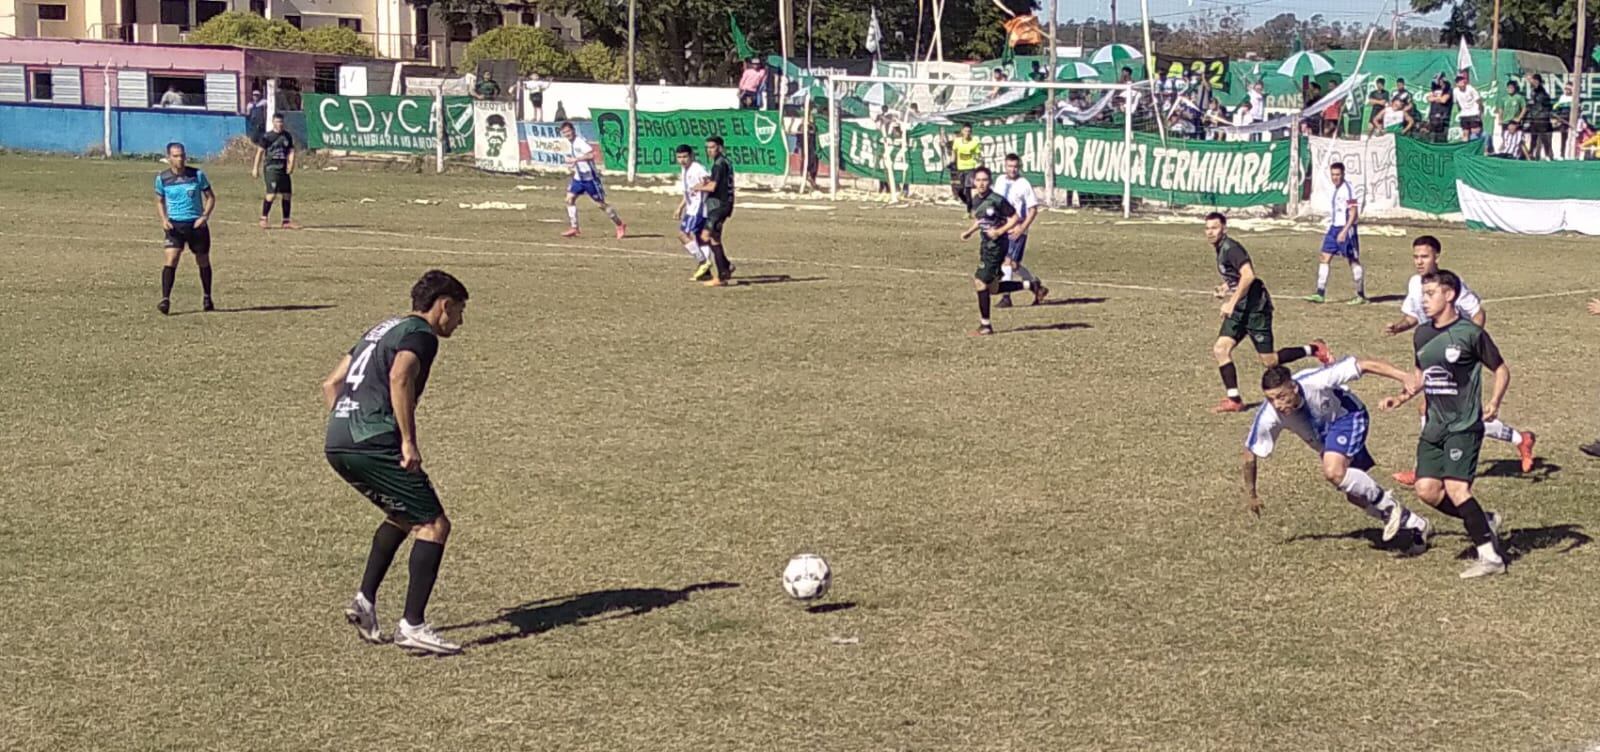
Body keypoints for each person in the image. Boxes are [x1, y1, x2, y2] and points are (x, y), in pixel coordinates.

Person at [323, 270, 469, 654]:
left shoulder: (381, 328)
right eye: (460, 312)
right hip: (374, 441)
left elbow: (331, 384)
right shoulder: (420, 334)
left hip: (339, 441)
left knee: (403, 513)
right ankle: (413, 626)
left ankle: (365, 603)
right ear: (444, 305)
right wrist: (406, 441)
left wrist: (346, 423)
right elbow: (400, 376)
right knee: (434, 525)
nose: (460, 322)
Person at [1377, 270, 1511, 579]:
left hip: (1463, 424)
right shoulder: (1422, 334)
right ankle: (1484, 520)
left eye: (1430, 294)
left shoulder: (1470, 333)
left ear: (1449, 295)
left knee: (1456, 487)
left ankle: (1490, 557)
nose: (1424, 301)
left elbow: (1501, 369)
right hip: (1434, 426)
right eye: (1423, 295)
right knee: (1426, 490)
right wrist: (1400, 398)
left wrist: (1494, 402)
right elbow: (1422, 376)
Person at [1383, 236, 1537, 484]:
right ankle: (1520, 439)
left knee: (1444, 412)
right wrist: (1399, 327)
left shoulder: (1450, 284)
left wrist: (1468, 346)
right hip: (1431, 352)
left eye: (1425, 256)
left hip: (1454, 357)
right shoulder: (1415, 284)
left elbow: (1477, 312)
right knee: (1439, 411)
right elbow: (1413, 316)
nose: (1419, 261)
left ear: (1436, 257)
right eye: (1416, 257)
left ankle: (1425, 469)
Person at [1243, 357, 1434, 555]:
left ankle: (1392, 508)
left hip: (1349, 416)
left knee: (1333, 471)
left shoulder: (1315, 380)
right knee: (1356, 497)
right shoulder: (1269, 416)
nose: (1277, 404)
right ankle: (1417, 524)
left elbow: (1364, 364)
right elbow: (1249, 453)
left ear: (1294, 387)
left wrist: (1404, 377)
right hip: (1327, 439)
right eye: (1270, 399)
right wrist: (1252, 494)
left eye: (1281, 396)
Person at [1206, 212, 1332, 413]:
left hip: (1256, 310)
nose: (1210, 232)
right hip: (1241, 309)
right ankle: (1235, 400)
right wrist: (1226, 286)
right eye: (1208, 228)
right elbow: (1237, 278)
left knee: (1269, 361)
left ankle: (1314, 349)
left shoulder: (1232, 248)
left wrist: (1231, 302)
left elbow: (1248, 276)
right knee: (1221, 349)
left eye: (1214, 228)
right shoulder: (1220, 249)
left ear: (1224, 228)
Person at [961, 167, 1046, 336]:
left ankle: (985, 325)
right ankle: (1032, 285)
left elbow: (1015, 218)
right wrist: (969, 231)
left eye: (985, 180)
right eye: (978, 180)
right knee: (992, 288)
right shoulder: (977, 199)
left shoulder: (997, 200)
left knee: (980, 282)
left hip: (997, 247)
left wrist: (999, 232)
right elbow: (982, 220)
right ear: (973, 182)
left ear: (990, 182)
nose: (981, 183)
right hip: (986, 245)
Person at [153, 142, 216, 315]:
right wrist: (164, 219)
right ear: (168, 158)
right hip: (175, 226)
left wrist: (204, 216)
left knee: (202, 260)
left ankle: (207, 296)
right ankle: (165, 300)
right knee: (171, 259)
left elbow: (210, 197)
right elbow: (159, 200)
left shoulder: (197, 175)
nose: (180, 159)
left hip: (196, 226)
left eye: (182, 155)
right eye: (175, 156)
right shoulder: (162, 178)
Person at [991, 153, 1049, 308]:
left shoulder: (1024, 184)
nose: (1013, 169)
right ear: (1005, 166)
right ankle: (1037, 286)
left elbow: (1033, 209)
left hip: (1017, 228)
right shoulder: (1000, 181)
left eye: (1016, 166)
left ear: (1020, 167)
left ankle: (1006, 297)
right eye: (1010, 166)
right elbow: (996, 202)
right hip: (1003, 227)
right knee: (1014, 265)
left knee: (1007, 262)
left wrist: (1022, 228)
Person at [1306, 162, 1364, 305]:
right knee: (1324, 257)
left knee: (1352, 260)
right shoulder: (1335, 189)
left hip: (1346, 229)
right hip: (1334, 228)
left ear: (1343, 174)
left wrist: (1345, 230)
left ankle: (1361, 295)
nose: (1335, 177)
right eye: (1333, 174)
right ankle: (1320, 293)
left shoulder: (1348, 189)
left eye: (1338, 174)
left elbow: (1353, 212)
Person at [558, 121, 626, 239]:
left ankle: (620, 224)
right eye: (564, 132)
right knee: (569, 199)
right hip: (579, 178)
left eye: (568, 131)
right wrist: (574, 165)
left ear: (573, 130)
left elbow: (591, 155)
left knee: (601, 205)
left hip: (590, 179)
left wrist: (576, 160)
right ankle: (575, 228)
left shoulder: (580, 142)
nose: (567, 134)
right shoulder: (570, 143)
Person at [696, 135, 737, 287]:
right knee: (714, 238)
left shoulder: (719, 165)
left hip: (719, 206)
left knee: (706, 236)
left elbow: (713, 187)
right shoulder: (725, 162)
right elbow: (718, 182)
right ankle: (726, 268)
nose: (709, 150)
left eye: (712, 147)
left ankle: (722, 276)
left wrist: (697, 187)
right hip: (724, 204)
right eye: (707, 148)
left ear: (720, 147)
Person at [251, 112, 300, 230]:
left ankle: (286, 221)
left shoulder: (287, 136)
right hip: (271, 168)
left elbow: (291, 150)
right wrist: (255, 168)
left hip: (283, 168)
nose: (280, 124)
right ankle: (263, 218)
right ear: (273, 122)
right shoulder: (267, 137)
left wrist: (291, 164)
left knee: (287, 194)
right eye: (277, 122)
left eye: (281, 122)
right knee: (271, 195)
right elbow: (260, 152)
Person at [673, 144, 714, 282]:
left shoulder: (697, 168)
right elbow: (689, 192)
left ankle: (703, 261)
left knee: (682, 234)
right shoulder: (684, 169)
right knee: (701, 240)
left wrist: (701, 187)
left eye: (685, 156)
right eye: (679, 157)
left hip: (698, 209)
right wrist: (680, 207)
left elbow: (710, 183)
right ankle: (706, 273)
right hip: (693, 208)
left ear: (691, 156)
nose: (682, 160)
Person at [946, 123, 982, 207]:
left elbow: (978, 155)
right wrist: (951, 162)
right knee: (960, 190)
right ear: (962, 131)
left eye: (969, 131)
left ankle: (969, 210)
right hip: (960, 168)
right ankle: (970, 204)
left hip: (970, 167)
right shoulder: (957, 142)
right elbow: (954, 153)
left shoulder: (974, 142)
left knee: (968, 187)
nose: (967, 133)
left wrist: (979, 163)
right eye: (966, 131)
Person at [1525, 74, 1554, 160]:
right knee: (1533, 137)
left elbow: (1545, 103)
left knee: (1544, 137)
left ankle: (1548, 155)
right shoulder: (1533, 91)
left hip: (1541, 117)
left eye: (1533, 80)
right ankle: (1531, 154)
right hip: (1534, 117)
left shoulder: (1541, 91)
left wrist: (1531, 80)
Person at [1424, 75, 1453, 143]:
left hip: (1443, 119)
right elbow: (1429, 98)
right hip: (1433, 118)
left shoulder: (1449, 90)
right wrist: (1438, 98)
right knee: (1432, 138)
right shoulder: (1435, 90)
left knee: (1441, 139)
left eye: (1440, 81)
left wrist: (1436, 98)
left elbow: (1444, 100)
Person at [1454, 74, 1482, 141]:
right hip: (1464, 115)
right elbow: (1457, 103)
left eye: (1462, 79)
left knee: (1475, 133)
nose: (1462, 81)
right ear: (1457, 84)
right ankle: (1466, 149)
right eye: (1459, 80)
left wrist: (1480, 112)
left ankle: (1475, 148)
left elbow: (1478, 100)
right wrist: (1461, 111)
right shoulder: (1455, 91)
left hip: (1474, 113)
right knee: (1465, 133)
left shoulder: (1470, 89)